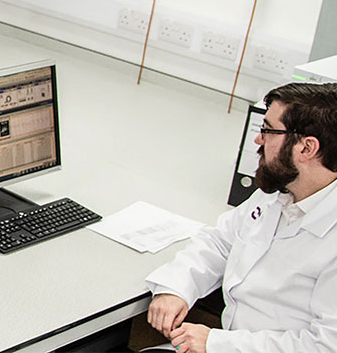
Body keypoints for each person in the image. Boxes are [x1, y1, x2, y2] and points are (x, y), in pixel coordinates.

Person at [142, 82, 337, 353]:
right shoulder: (282, 189)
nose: (258, 140)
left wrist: (218, 343)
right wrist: (176, 287)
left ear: (306, 148)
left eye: (268, 130)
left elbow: (326, 346)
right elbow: (220, 242)